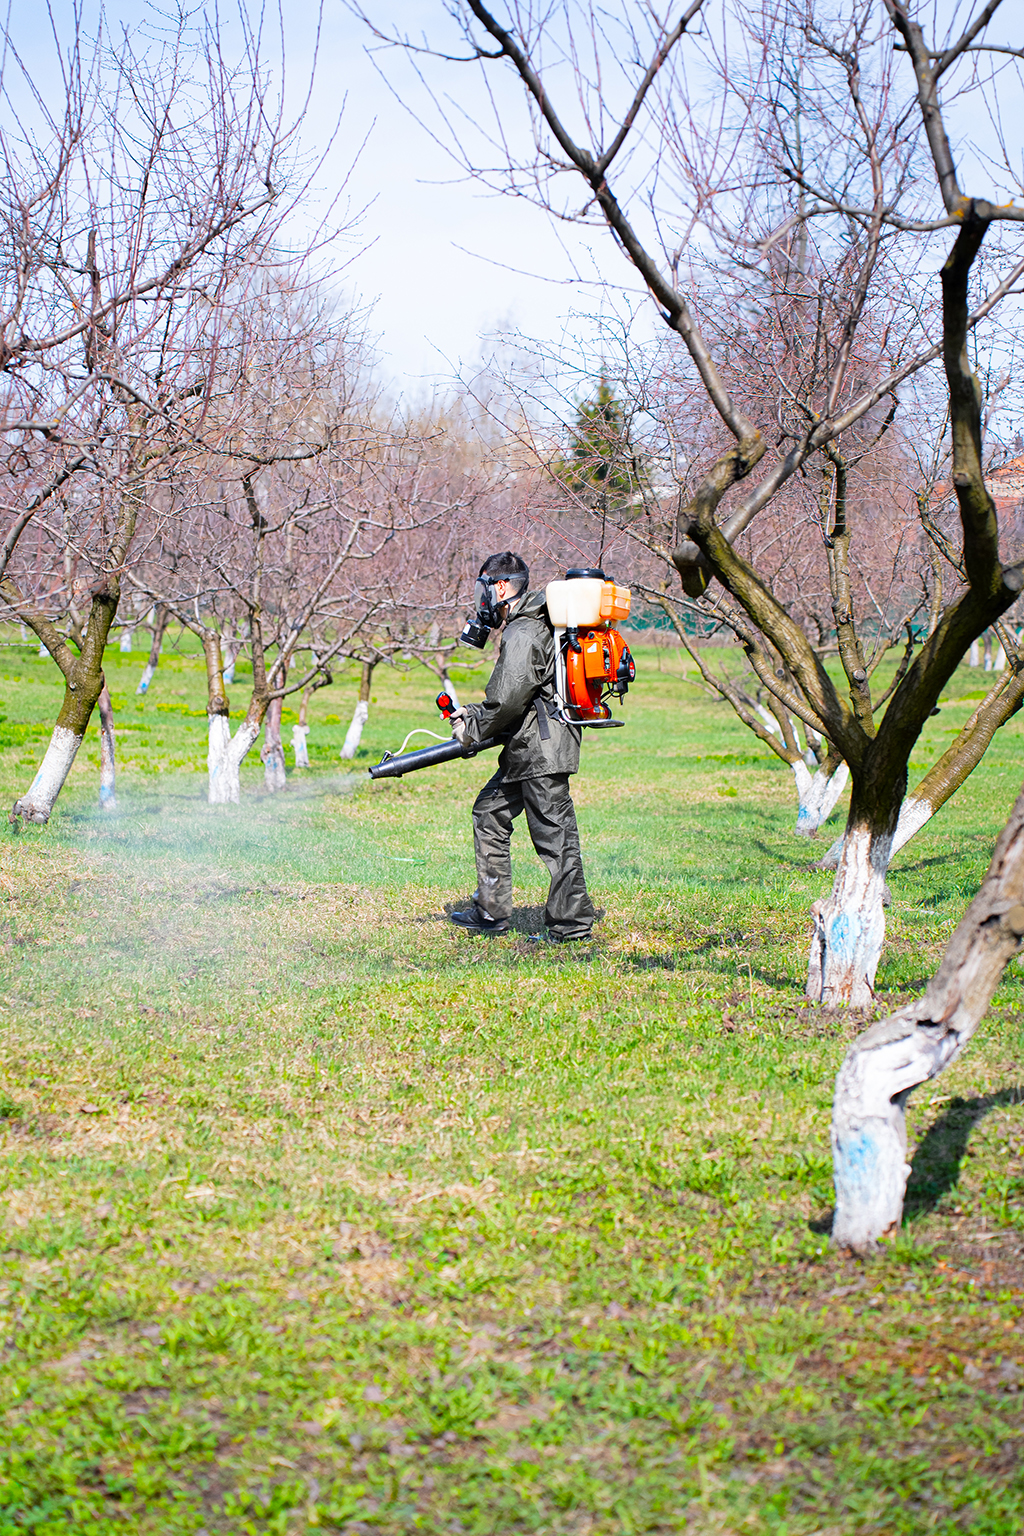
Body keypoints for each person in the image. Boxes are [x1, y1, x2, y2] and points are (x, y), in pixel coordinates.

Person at [448, 551, 597, 942]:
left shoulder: (525, 630)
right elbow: (516, 696)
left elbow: (509, 698)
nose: (481, 602)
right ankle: (492, 912)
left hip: (540, 750)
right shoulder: (530, 623)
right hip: (527, 748)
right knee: (488, 812)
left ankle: (572, 926)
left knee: (555, 837)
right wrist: (476, 716)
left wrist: (474, 725)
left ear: (499, 587)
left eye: (483, 589)